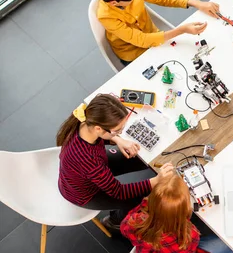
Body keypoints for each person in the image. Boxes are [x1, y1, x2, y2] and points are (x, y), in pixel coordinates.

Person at [57, 93, 174, 229]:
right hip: (85, 194)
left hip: (92, 168)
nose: (119, 133)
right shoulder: (88, 160)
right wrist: (155, 181)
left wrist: (118, 140)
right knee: (135, 199)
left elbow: (102, 137)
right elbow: (118, 191)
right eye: (117, 130)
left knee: (135, 158)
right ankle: (114, 221)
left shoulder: (85, 122)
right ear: (98, 128)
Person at [92, 0, 220, 65]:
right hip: (133, 54)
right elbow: (141, 40)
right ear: (114, 3)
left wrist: (196, 3)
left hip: (155, 36)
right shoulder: (106, 16)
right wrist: (182, 30)